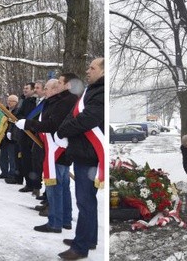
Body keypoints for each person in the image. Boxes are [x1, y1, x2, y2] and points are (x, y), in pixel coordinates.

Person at [56, 58, 105, 260]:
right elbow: (73, 114)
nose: (87, 70)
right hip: (83, 152)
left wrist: (64, 130)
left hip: (89, 154)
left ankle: (80, 246)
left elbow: (88, 118)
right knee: (88, 201)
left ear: (103, 71)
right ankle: (89, 238)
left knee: (84, 201)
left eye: (92, 68)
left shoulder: (101, 92)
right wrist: (64, 128)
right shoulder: (91, 90)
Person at [18, 77, 78, 233]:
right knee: (62, 186)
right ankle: (64, 220)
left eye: (48, 87)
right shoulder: (61, 100)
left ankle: (55, 222)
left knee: (55, 187)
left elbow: (52, 125)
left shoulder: (64, 102)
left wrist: (28, 124)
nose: (45, 90)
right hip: (58, 150)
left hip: (58, 150)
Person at [0, 95, 19, 182]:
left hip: (12, 137)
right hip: (4, 136)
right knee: (3, 155)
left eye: (11, 101)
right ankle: (4, 172)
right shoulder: (5, 110)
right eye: (8, 100)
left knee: (12, 156)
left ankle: (12, 173)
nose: (9, 102)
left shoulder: (17, 111)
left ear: (16, 102)